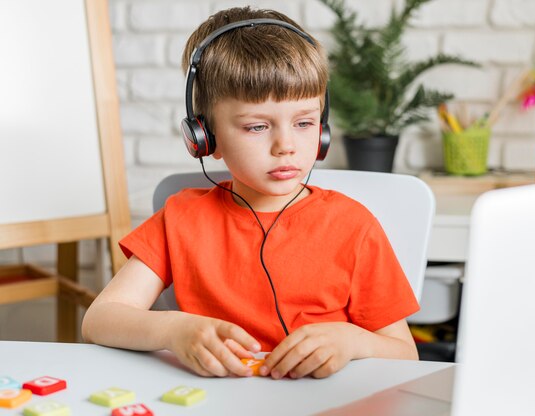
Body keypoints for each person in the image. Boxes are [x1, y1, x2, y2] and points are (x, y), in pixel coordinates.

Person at [82, 6, 419, 380]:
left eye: (305, 122)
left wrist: (354, 342)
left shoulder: (353, 226)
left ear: (322, 129)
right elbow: (99, 319)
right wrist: (173, 329)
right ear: (205, 137)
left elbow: (406, 355)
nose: (286, 146)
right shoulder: (180, 218)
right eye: (257, 127)